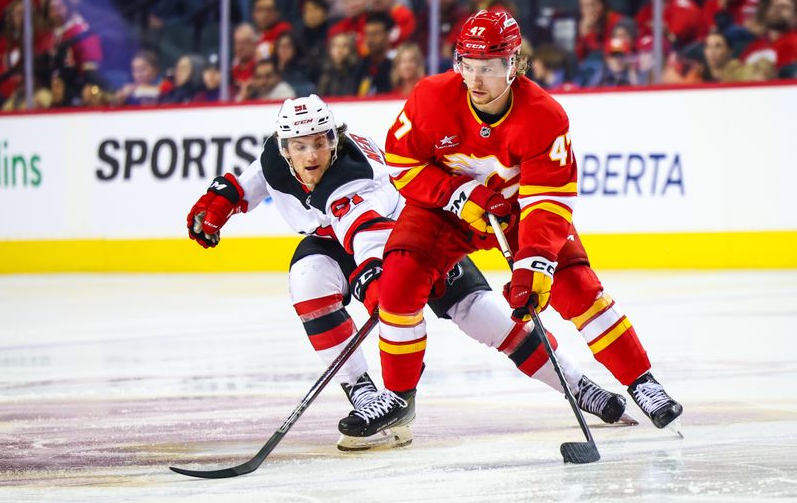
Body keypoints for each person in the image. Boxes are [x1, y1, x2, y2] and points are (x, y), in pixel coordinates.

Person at [186, 94, 633, 451]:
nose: (311, 154)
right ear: (284, 148)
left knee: (486, 319)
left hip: (410, 237)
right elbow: (256, 178)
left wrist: (378, 281)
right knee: (308, 280)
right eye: (300, 146)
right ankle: (367, 394)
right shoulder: (274, 156)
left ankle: (580, 387)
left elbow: (366, 234)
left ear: (334, 139)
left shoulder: (353, 176)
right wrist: (225, 197)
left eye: (320, 141)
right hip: (334, 240)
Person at [337, 10, 684, 441]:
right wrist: (454, 193)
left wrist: (535, 266)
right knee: (400, 283)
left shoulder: (544, 116)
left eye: (488, 67)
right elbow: (403, 163)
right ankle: (399, 399)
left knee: (576, 287)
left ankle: (642, 382)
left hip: (518, 215)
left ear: (514, 64)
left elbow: (549, 202)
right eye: (467, 65)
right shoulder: (430, 97)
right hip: (444, 211)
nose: (475, 79)